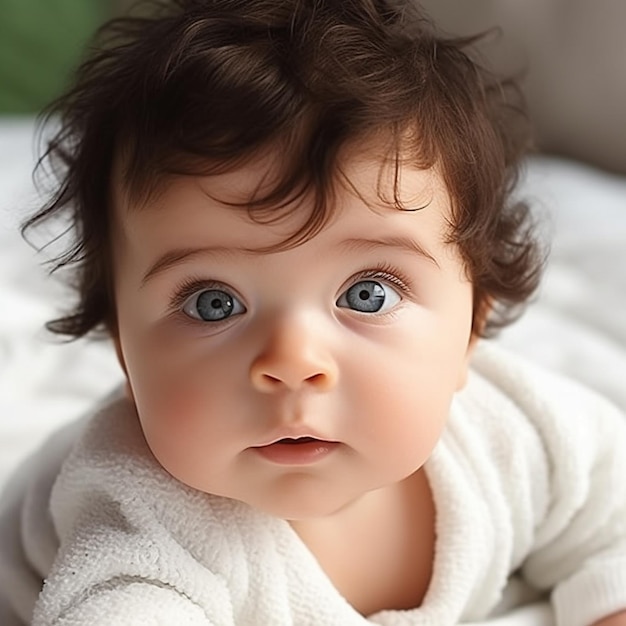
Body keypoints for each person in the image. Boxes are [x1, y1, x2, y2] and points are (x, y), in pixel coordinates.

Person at [0, 0, 625, 624]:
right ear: (123, 349)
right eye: (214, 303)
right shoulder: (140, 527)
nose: (292, 363)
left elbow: (613, 523)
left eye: (367, 294)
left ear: (471, 329)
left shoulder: (519, 434)